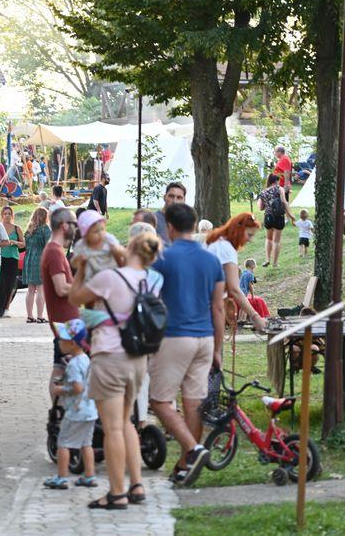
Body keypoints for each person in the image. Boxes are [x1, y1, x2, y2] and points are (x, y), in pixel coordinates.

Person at [68, 232, 162, 509]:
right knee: (126, 422)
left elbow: (74, 297)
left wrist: (82, 267)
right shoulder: (151, 280)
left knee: (112, 428)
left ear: (128, 247)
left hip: (110, 356)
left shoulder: (109, 278)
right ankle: (137, 485)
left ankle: (117, 493)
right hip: (137, 359)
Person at [151, 204, 225, 486]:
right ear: (194, 226)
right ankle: (185, 465)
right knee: (193, 403)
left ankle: (193, 450)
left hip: (175, 336)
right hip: (205, 338)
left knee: (160, 400)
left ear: (169, 226)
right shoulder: (211, 260)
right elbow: (218, 307)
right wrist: (217, 348)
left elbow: (148, 296)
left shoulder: (163, 258)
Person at [44, 318, 99, 490]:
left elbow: (77, 388)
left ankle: (62, 477)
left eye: (62, 339)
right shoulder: (84, 359)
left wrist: (60, 389)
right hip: (90, 411)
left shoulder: (74, 365)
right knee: (86, 444)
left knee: (63, 443)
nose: (59, 342)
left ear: (73, 344)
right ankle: (89, 476)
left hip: (76, 412)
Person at [205, 213, 268, 332]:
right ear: (239, 230)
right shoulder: (226, 248)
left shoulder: (217, 241)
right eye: (249, 235)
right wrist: (256, 317)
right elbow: (235, 289)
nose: (250, 239)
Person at [42, 207, 80, 397]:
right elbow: (61, 288)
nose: (76, 228)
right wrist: (88, 290)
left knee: (60, 367)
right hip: (65, 322)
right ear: (65, 225)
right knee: (61, 370)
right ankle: (58, 411)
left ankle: (57, 411)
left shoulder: (54, 250)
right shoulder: (54, 252)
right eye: (74, 224)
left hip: (65, 321)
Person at [71, 210, 126, 283]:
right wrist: (79, 259)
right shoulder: (82, 245)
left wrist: (117, 250)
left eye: (102, 229)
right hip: (92, 279)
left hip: (111, 274)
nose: (100, 233)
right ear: (85, 235)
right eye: (95, 231)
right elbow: (73, 264)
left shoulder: (108, 239)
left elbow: (124, 253)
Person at [0, 206, 25, 318]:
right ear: (2, 215)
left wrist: (14, 242)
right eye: (5, 213)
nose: (7, 216)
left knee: (10, 284)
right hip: (0, 258)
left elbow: (23, 244)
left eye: (9, 213)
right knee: (0, 283)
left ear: (12, 215)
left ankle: (6, 308)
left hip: (12, 258)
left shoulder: (17, 228)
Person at [258, 174, 295, 267]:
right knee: (276, 241)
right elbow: (284, 202)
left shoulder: (263, 192)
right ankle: (275, 263)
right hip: (278, 216)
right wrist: (291, 216)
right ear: (276, 181)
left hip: (268, 217)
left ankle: (267, 259)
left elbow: (261, 207)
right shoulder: (279, 188)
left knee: (268, 239)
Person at [23, 207, 51, 324]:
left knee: (30, 289)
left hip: (29, 259)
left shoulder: (28, 230)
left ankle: (30, 316)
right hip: (40, 259)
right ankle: (40, 316)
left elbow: (25, 245)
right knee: (40, 289)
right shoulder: (45, 229)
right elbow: (49, 246)